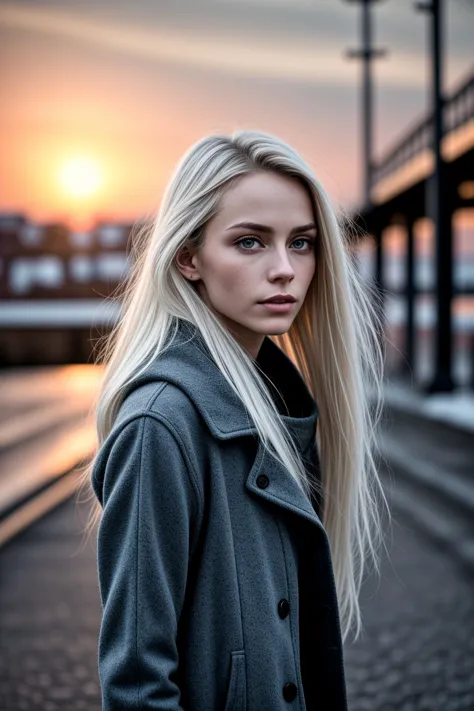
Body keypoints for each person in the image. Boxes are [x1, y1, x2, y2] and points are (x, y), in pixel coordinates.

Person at [85, 129, 389, 710]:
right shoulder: (161, 426)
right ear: (188, 256)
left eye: (301, 243)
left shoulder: (280, 410)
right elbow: (137, 684)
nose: (285, 270)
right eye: (250, 242)